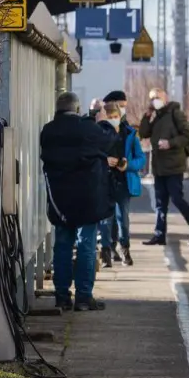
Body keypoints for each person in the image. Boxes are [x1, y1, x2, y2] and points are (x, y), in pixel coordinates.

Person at [39, 92, 116, 311]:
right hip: (87, 198)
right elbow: (108, 140)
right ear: (77, 108)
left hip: (59, 199)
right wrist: (98, 120)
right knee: (86, 245)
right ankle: (83, 297)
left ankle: (62, 296)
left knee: (62, 245)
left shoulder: (48, 131)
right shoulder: (87, 129)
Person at [139, 88, 189, 246]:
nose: (155, 100)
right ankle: (159, 234)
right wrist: (147, 115)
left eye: (157, 97)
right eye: (152, 98)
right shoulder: (156, 117)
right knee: (160, 203)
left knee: (177, 199)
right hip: (159, 166)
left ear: (165, 98)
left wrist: (170, 143)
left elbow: (187, 136)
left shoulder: (176, 113)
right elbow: (143, 133)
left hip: (174, 165)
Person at [95, 91, 143, 267]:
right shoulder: (99, 132)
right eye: (111, 117)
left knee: (123, 217)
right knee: (106, 219)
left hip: (123, 180)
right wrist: (105, 160)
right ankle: (106, 251)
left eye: (117, 115)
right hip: (105, 180)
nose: (114, 119)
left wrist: (127, 164)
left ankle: (125, 249)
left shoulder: (129, 133)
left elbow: (140, 158)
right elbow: (93, 154)